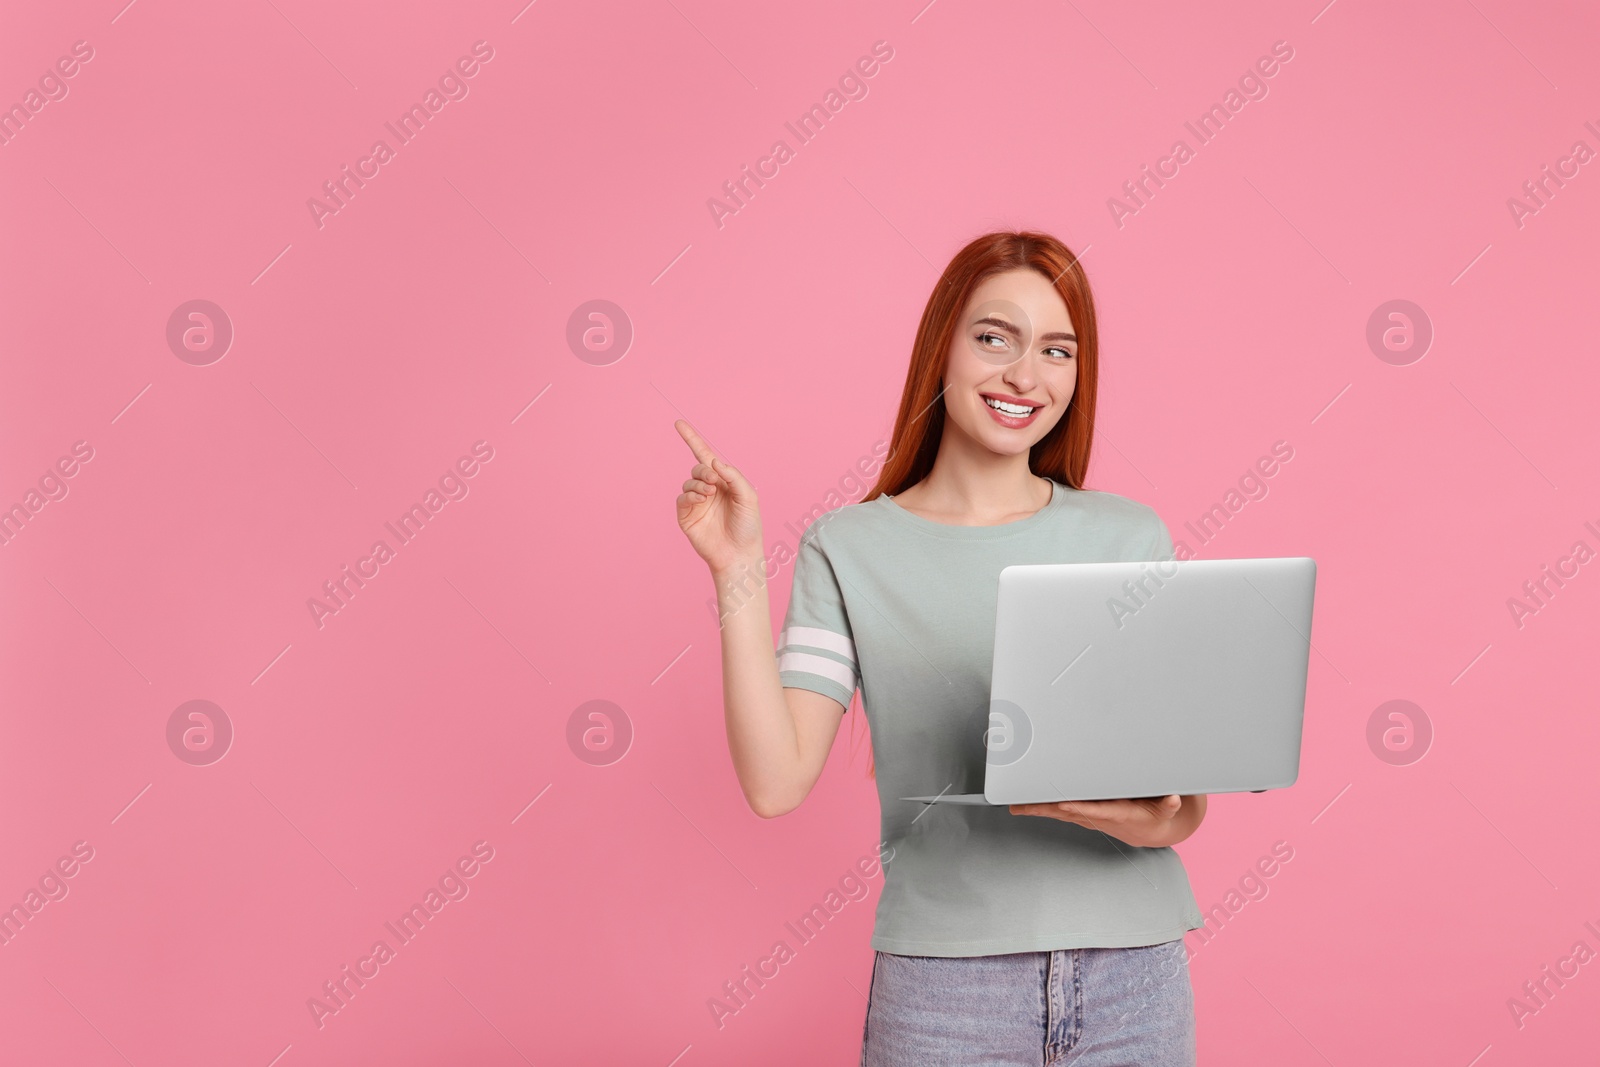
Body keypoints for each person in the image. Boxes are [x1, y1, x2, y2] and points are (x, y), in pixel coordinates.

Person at [673, 230, 1207, 1066]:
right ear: (942, 349)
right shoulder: (847, 548)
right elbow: (776, 784)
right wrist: (739, 570)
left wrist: (1104, 809)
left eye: (1057, 350)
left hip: (1134, 977)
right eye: (995, 337)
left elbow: (1182, 811)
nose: (1025, 375)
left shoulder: (1129, 536)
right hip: (946, 992)